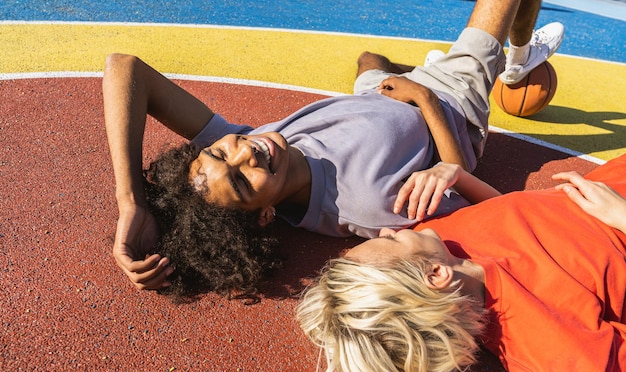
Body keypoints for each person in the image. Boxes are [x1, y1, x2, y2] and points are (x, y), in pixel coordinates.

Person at [103, 0, 563, 297]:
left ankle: (478, 62)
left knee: (368, 60)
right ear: (265, 214)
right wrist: (423, 99)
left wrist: (131, 202)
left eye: (221, 153)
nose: (246, 154)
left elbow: (126, 68)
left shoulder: (257, 146)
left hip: (374, 98)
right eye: (243, 180)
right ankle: (516, 61)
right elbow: (472, 194)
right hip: (450, 101)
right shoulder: (368, 203)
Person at [296, 166, 626, 372]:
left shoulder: (440, 242)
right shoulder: (555, 349)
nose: (385, 229)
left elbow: (523, 220)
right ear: (435, 275)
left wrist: (458, 174)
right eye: (387, 240)